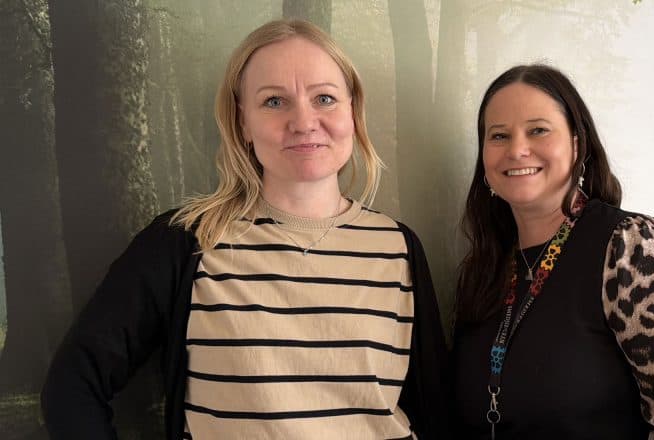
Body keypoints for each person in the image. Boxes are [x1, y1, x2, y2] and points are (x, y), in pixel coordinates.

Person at [41, 19, 449, 440]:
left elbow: (434, 414)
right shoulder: (186, 241)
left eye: (324, 98)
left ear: (352, 111)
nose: (303, 121)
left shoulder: (398, 247)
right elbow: (72, 386)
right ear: (242, 123)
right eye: (274, 101)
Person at [451, 64, 654, 439]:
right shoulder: (485, 268)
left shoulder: (632, 248)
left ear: (577, 144)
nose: (517, 150)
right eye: (499, 135)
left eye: (538, 130)